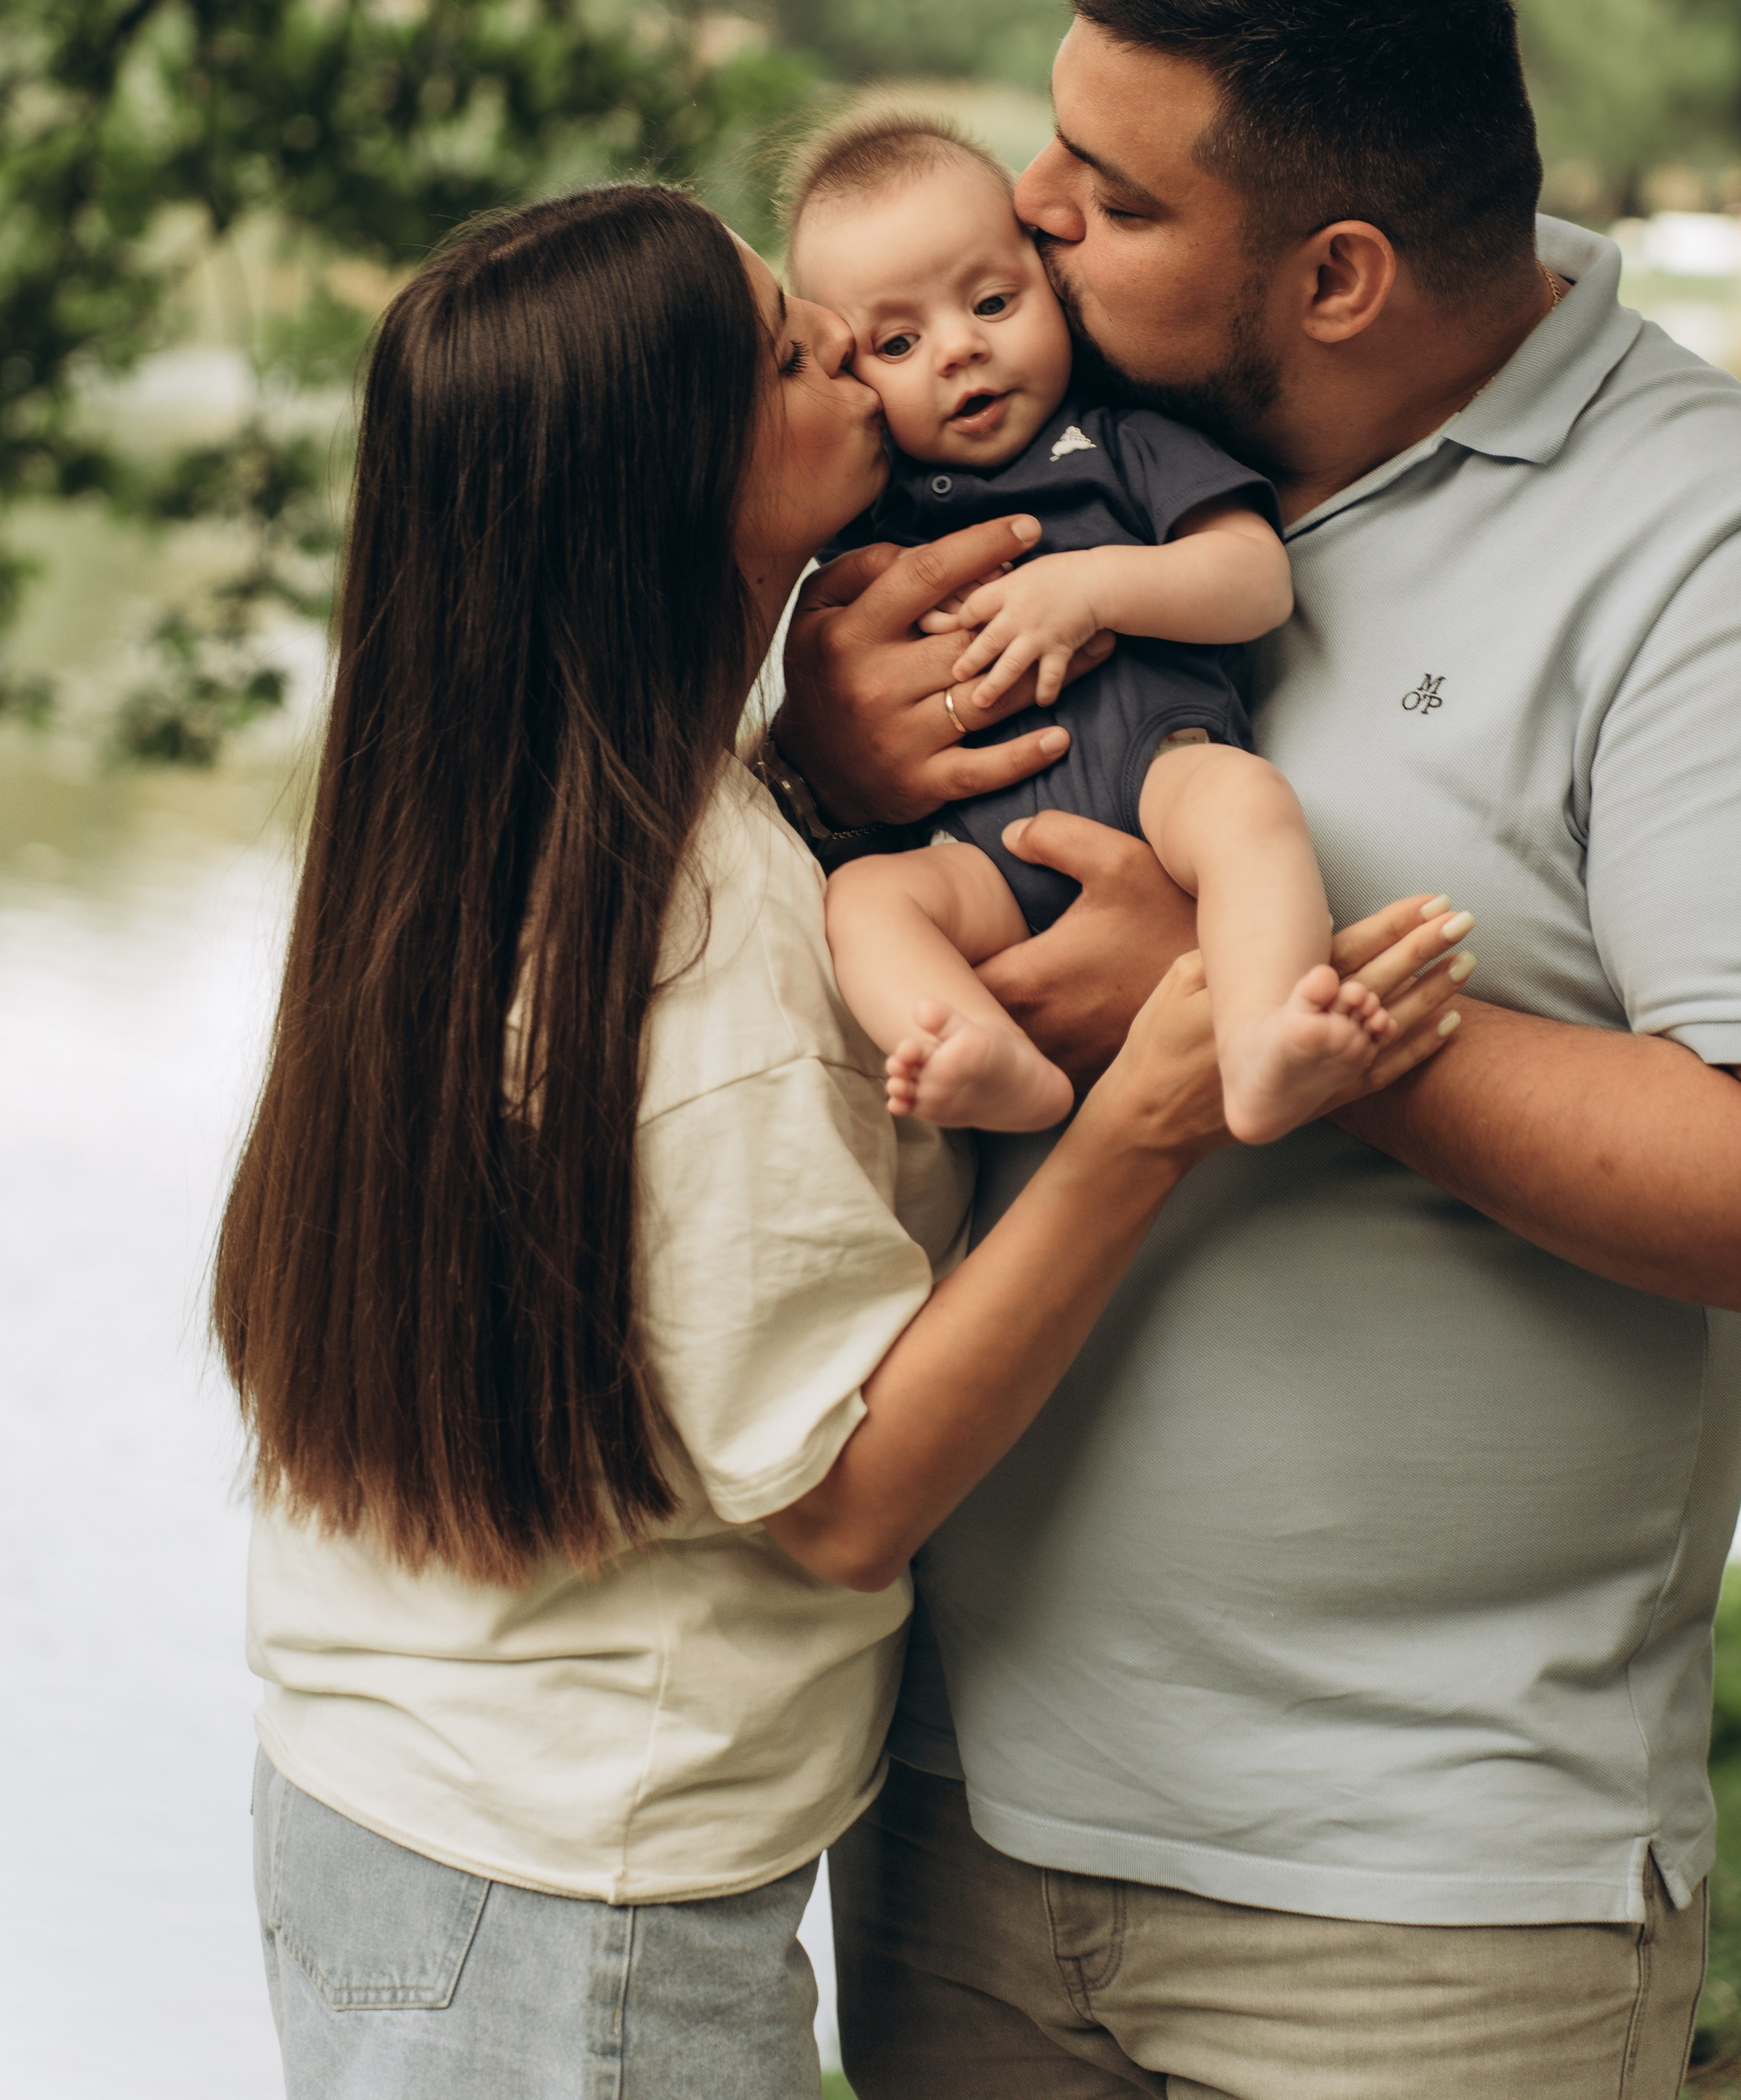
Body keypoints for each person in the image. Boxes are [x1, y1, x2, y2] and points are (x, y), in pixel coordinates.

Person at [766, 0, 1741, 2100]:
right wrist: (819, 763)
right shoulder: (1029, 457)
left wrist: (1251, 1014)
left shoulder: (1728, 561)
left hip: (1412, 1902)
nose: (1026, 210)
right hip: (945, 1819)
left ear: (1338, 272)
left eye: (1101, 191)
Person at [211, 178, 1462, 2100]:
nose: (867, 373)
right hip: (576, 1907)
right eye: (798, 353)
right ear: (681, 480)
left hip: (383, 1784)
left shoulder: (466, 805)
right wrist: (1142, 1120)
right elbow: (844, 1503)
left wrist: (809, 762)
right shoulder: (715, 953)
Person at [787, 109, 1399, 1141]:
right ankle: (981, 1051)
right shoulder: (873, 505)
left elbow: (1254, 581)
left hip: (1159, 776)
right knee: (867, 903)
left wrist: (1095, 587)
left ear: (1050, 284)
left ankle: (1263, 1043)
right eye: (898, 341)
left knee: (1250, 809)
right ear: (851, 369)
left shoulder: (1120, 442)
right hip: (983, 840)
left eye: (991, 300)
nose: (959, 350)